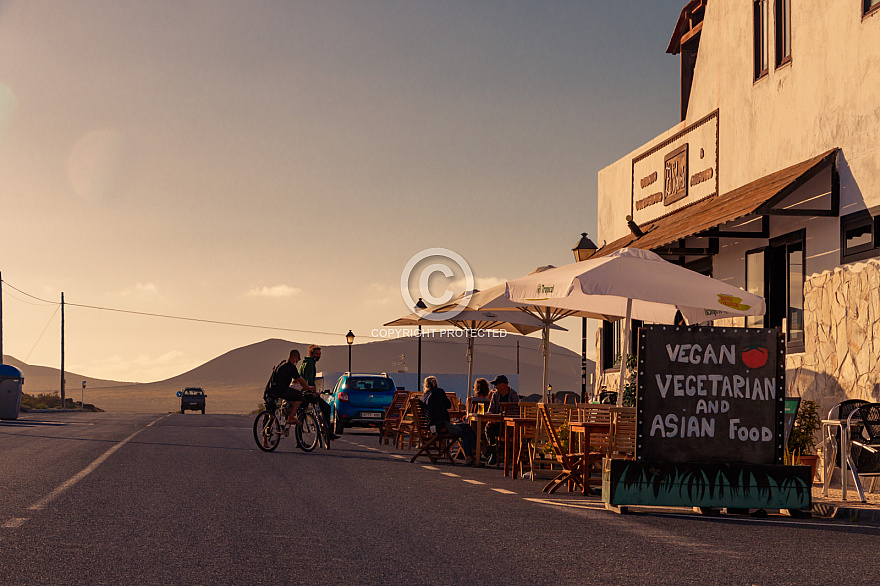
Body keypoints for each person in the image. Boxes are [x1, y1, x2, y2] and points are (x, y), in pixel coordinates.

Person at [421, 376, 478, 465]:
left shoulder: (423, 397)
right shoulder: (439, 392)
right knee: (465, 431)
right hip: (442, 426)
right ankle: (475, 452)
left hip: (433, 427)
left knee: (466, 426)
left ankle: (473, 453)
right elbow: (448, 405)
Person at [264, 349, 314, 437]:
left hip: (270, 390)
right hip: (280, 391)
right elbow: (300, 379)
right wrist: (309, 388)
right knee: (299, 396)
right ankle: (291, 417)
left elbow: (293, 379)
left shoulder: (282, 364)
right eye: (298, 359)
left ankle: (265, 439)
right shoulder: (291, 367)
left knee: (269, 413)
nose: (298, 361)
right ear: (294, 357)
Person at [299, 344, 340, 441]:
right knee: (326, 407)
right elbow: (309, 379)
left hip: (301, 392)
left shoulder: (304, 363)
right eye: (317, 354)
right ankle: (328, 433)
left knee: (301, 415)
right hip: (308, 392)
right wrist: (312, 390)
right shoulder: (310, 363)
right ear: (311, 353)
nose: (318, 356)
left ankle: (299, 440)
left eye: (320, 354)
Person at [485, 374, 520, 466]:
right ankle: (493, 452)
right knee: (489, 428)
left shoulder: (513, 395)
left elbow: (516, 411)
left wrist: (504, 415)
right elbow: (491, 410)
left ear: (503, 385)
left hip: (510, 425)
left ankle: (500, 452)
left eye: (496, 384)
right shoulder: (495, 395)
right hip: (498, 424)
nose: (494, 387)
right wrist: (491, 418)